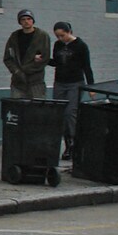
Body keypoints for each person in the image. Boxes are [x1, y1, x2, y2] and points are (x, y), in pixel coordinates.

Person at [50, 21, 95, 162]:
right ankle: (68, 144)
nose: (60, 39)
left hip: (75, 83)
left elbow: (87, 67)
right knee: (60, 113)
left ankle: (74, 142)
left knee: (70, 112)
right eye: (57, 36)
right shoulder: (57, 45)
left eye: (62, 35)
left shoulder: (81, 46)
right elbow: (56, 62)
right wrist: (43, 60)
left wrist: (91, 87)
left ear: (69, 32)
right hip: (60, 82)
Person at [3, 9, 50, 100]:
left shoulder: (42, 36)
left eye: (29, 19)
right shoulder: (14, 36)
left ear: (33, 20)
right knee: (17, 107)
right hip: (18, 82)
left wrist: (26, 69)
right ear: (20, 22)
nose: (26, 22)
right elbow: (7, 58)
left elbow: (45, 58)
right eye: (23, 19)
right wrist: (17, 71)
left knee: (37, 106)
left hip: (36, 81)